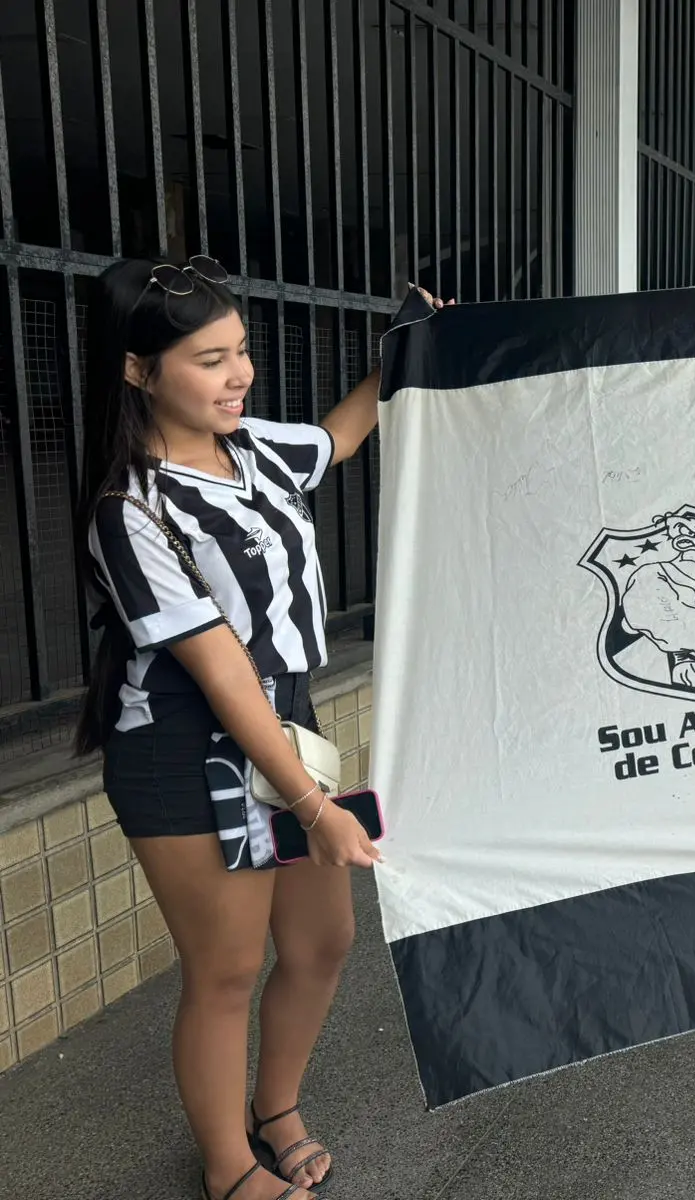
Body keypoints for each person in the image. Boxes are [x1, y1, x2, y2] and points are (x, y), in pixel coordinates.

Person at [74, 255, 448, 1200]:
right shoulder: (131, 509)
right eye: (210, 359)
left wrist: (401, 349)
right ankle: (228, 1168)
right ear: (138, 369)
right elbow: (219, 671)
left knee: (322, 943)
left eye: (241, 351)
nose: (239, 375)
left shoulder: (252, 448)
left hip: (286, 725)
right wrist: (314, 805)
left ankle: (273, 1108)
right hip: (182, 746)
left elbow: (339, 438)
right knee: (227, 969)